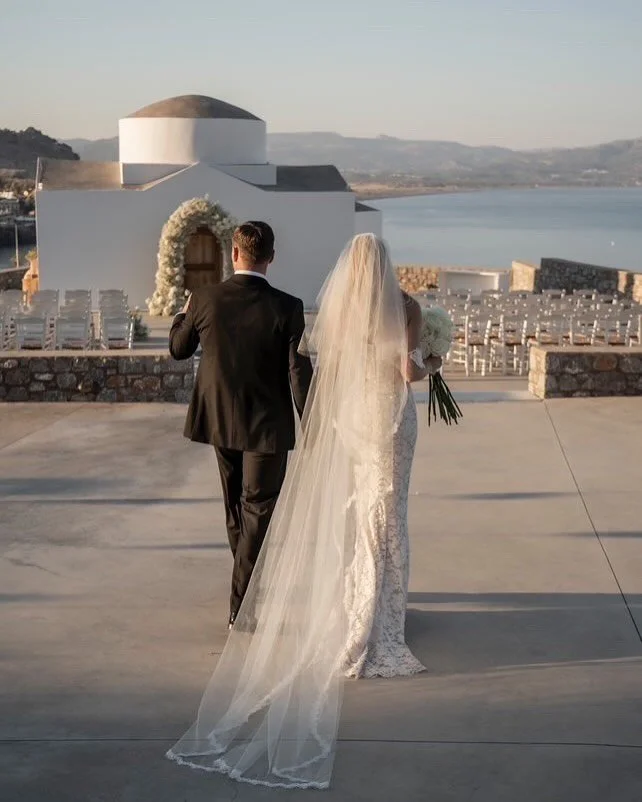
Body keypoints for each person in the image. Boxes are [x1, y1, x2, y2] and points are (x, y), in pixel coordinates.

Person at [167, 234, 441, 789]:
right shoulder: (404, 307)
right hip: (384, 417)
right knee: (386, 513)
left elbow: (322, 365)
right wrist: (437, 358)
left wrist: (320, 418)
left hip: (349, 417)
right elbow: (407, 372)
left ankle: (311, 602)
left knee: (347, 508)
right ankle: (378, 615)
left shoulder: (333, 308)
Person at [169, 221, 313, 629]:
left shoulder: (203, 298)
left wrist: (182, 315)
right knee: (256, 511)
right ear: (270, 257)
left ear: (234, 254)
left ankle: (246, 585)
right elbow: (297, 373)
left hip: (219, 419)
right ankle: (242, 604)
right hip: (267, 423)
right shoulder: (288, 307)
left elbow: (179, 349)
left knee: (236, 506)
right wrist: (314, 421)